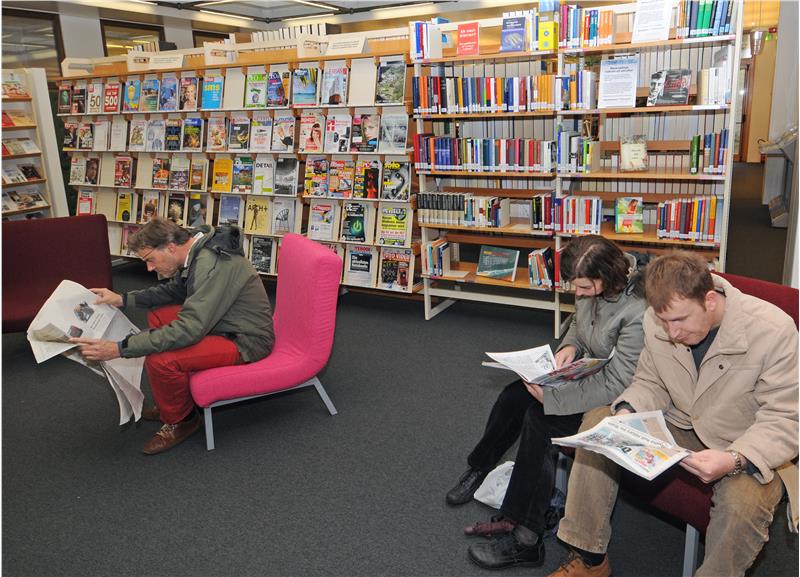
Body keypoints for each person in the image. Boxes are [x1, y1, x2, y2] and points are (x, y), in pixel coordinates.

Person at [549, 251, 798, 577]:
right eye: (663, 321)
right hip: (681, 423)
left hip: (745, 443)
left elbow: (786, 418)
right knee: (600, 421)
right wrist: (627, 410)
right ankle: (589, 560)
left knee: (742, 504)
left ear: (710, 300)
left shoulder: (774, 330)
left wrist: (734, 459)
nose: (672, 332)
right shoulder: (659, 320)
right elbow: (650, 382)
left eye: (679, 320)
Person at [446, 235, 647, 570]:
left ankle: (526, 538)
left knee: (540, 422)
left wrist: (556, 397)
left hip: (614, 396)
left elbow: (618, 383)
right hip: (586, 373)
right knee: (513, 397)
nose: (578, 293)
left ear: (607, 277)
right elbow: (579, 325)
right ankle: (479, 467)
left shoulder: (637, 310)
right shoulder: (591, 285)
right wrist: (570, 347)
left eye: (584, 287)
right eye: (575, 286)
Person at [71, 217, 275, 455]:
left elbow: (188, 330)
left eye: (150, 260)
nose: (149, 268)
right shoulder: (197, 249)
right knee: (158, 316)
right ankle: (174, 400)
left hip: (245, 339)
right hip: (221, 322)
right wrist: (123, 299)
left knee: (161, 359)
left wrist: (120, 348)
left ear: (170, 247)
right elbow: (176, 290)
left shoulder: (211, 265)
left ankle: (183, 420)